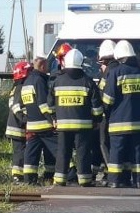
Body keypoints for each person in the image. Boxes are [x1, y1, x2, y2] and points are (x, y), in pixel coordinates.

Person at [48, 49, 103, 187]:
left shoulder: (57, 81)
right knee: (83, 152)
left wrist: (54, 118)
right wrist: (96, 120)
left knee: (63, 151)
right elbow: (97, 107)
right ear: (81, 63)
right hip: (83, 126)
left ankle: (60, 180)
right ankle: (84, 180)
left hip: (63, 125)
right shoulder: (88, 81)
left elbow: (50, 104)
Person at [101, 39, 140, 189]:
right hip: (138, 122)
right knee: (136, 153)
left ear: (119, 56)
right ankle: (139, 181)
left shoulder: (116, 72)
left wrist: (107, 114)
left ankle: (115, 181)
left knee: (117, 152)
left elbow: (108, 99)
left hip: (118, 122)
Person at [21, 56, 57, 185]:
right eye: (47, 66)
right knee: (58, 149)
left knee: (31, 153)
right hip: (44, 125)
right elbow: (43, 104)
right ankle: (69, 174)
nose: (48, 69)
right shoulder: (39, 81)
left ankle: (29, 180)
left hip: (31, 125)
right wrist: (52, 119)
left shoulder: (26, 82)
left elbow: (24, 106)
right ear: (42, 66)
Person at [6, 60, 32, 183]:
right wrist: (25, 119)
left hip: (14, 124)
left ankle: (18, 174)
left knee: (19, 150)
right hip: (17, 125)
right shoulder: (20, 87)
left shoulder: (15, 87)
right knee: (20, 151)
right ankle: (17, 175)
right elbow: (17, 106)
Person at [95, 39, 117, 182]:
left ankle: (110, 172)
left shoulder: (108, 73)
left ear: (104, 61)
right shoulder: (120, 70)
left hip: (106, 114)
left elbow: (103, 95)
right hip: (119, 115)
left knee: (104, 143)